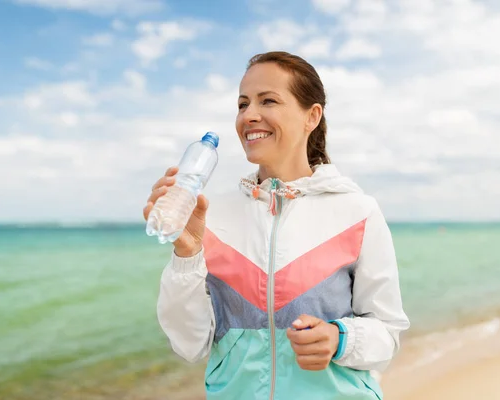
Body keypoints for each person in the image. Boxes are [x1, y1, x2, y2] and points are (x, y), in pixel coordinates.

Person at [143, 51, 410, 400]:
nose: (249, 115)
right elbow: (190, 345)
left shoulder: (357, 212)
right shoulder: (213, 216)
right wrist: (187, 254)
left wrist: (339, 338)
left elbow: (387, 335)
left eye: (267, 100)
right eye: (242, 104)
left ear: (311, 116)